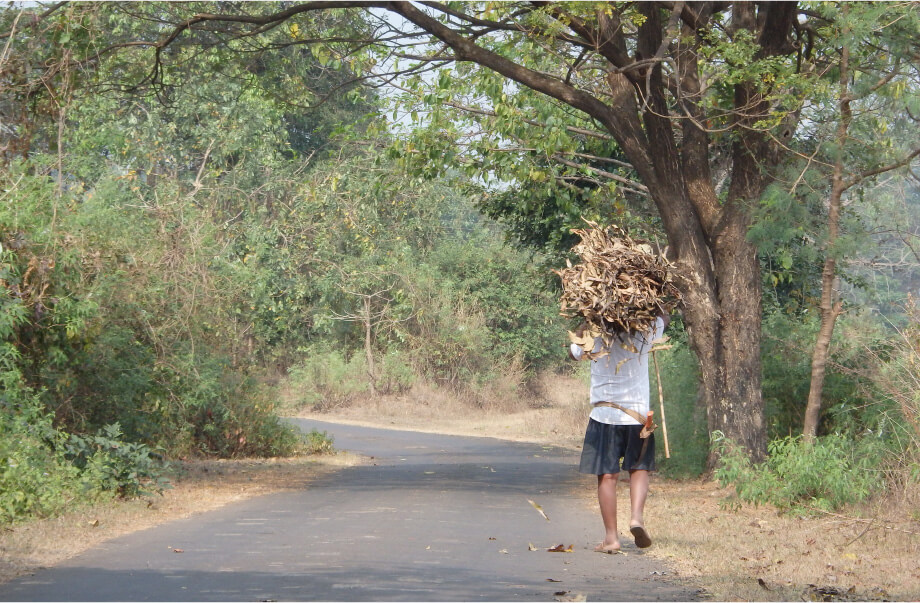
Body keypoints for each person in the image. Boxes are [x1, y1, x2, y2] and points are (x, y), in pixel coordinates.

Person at [568, 314, 668, 553]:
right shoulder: (646, 329)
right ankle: (636, 518)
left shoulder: (592, 334)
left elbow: (574, 352)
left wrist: (587, 318)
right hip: (639, 416)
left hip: (605, 416)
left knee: (607, 476)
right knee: (639, 467)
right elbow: (664, 317)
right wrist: (654, 306)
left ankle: (612, 538)